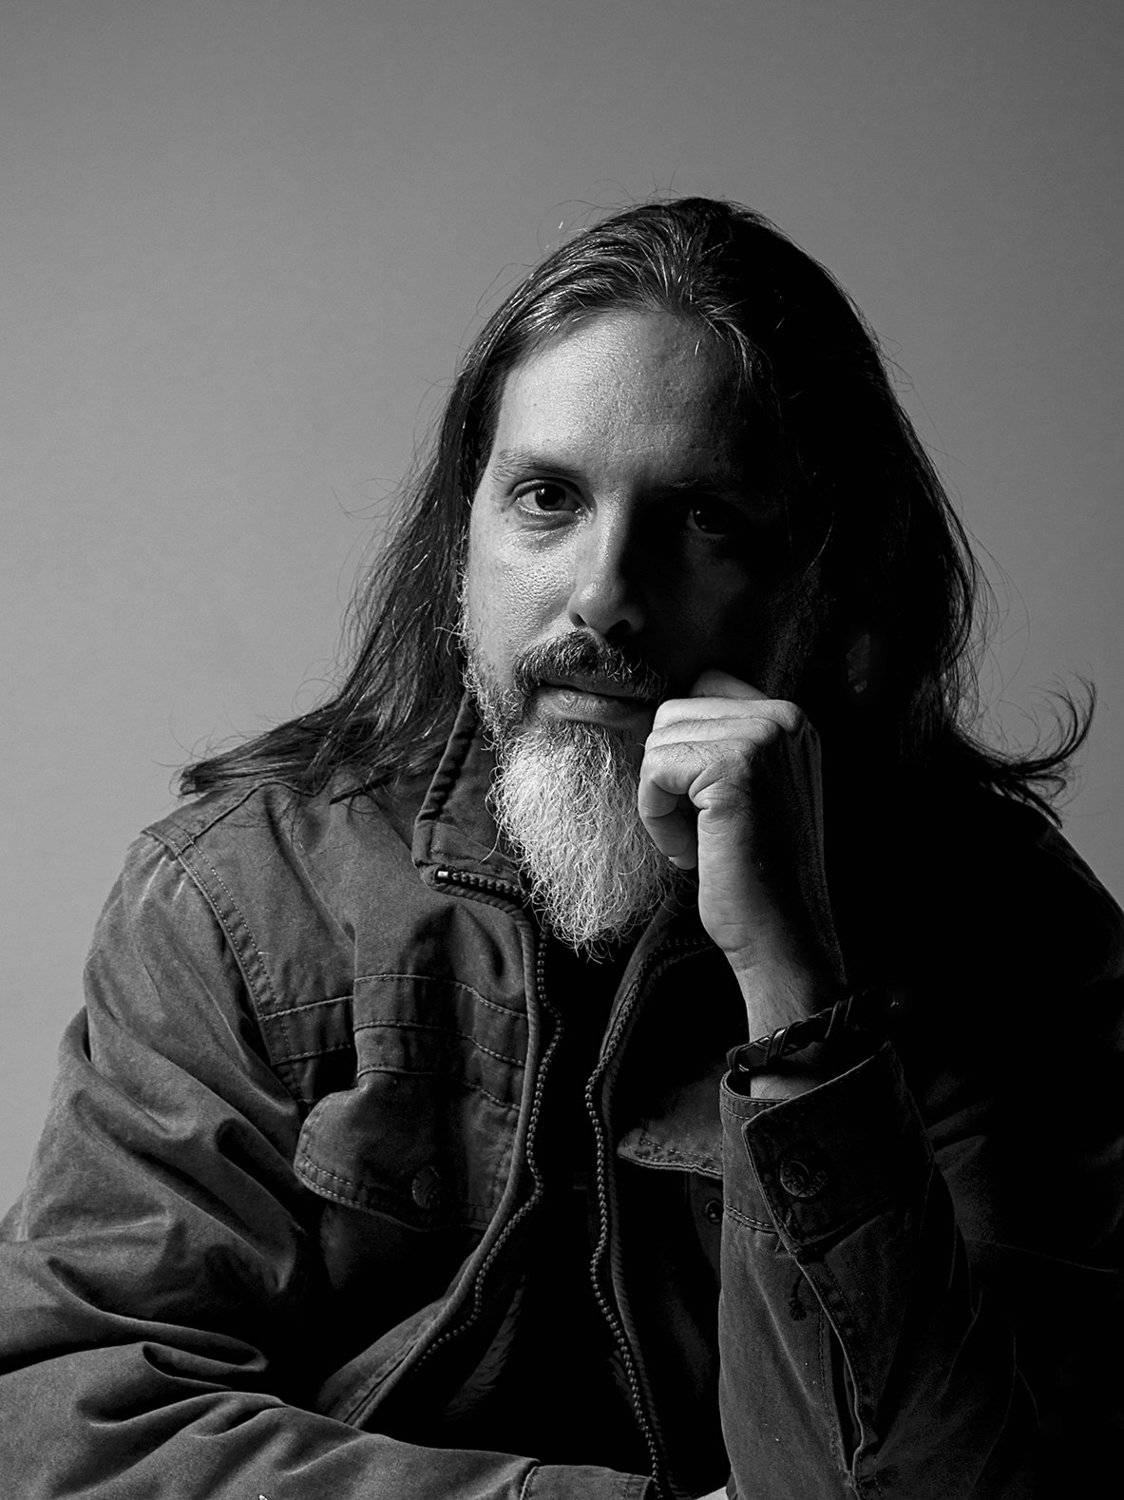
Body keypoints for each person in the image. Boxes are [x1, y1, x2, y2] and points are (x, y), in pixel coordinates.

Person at [1, 198, 1120, 1500]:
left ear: (830, 575)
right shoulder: (243, 895)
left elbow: (966, 1483)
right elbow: (69, 1424)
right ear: (462, 540)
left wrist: (795, 992)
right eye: (547, 499)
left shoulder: (1017, 942)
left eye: (703, 518)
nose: (604, 597)